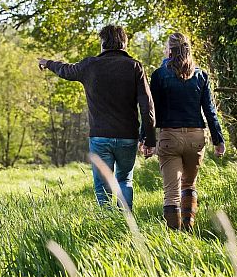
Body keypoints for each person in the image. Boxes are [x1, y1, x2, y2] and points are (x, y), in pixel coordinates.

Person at [38, 25, 155, 210]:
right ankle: (126, 221)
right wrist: (149, 138)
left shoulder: (90, 65)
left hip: (100, 137)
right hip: (128, 137)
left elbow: (66, 70)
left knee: (102, 187)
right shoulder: (134, 67)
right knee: (124, 179)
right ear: (124, 43)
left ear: (103, 43)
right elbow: (147, 106)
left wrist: (47, 62)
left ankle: (107, 223)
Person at [143, 32, 225, 230]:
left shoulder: (159, 75)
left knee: (171, 192)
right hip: (196, 138)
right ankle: (188, 229)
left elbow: (150, 112)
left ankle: (175, 237)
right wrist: (218, 140)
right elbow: (210, 111)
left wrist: (147, 140)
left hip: (169, 137)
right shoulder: (200, 75)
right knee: (188, 186)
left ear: (169, 51)